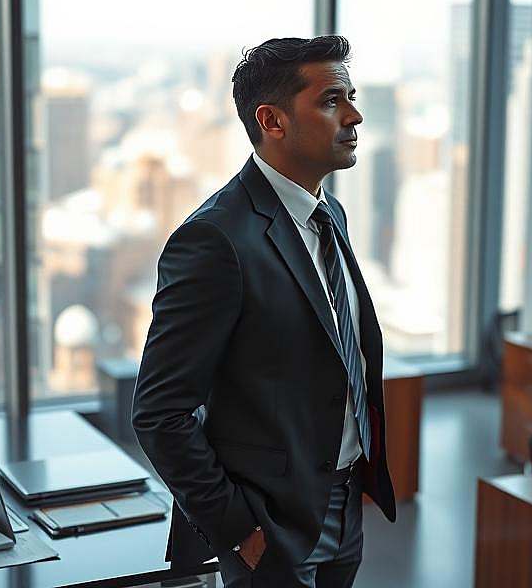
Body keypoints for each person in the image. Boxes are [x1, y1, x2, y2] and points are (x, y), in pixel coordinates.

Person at [131, 35, 395, 588]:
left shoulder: (330, 214)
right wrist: (239, 531)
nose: (354, 115)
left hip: (343, 503)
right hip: (268, 524)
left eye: (350, 97)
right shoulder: (214, 240)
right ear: (272, 121)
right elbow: (160, 413)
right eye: (331, 101)